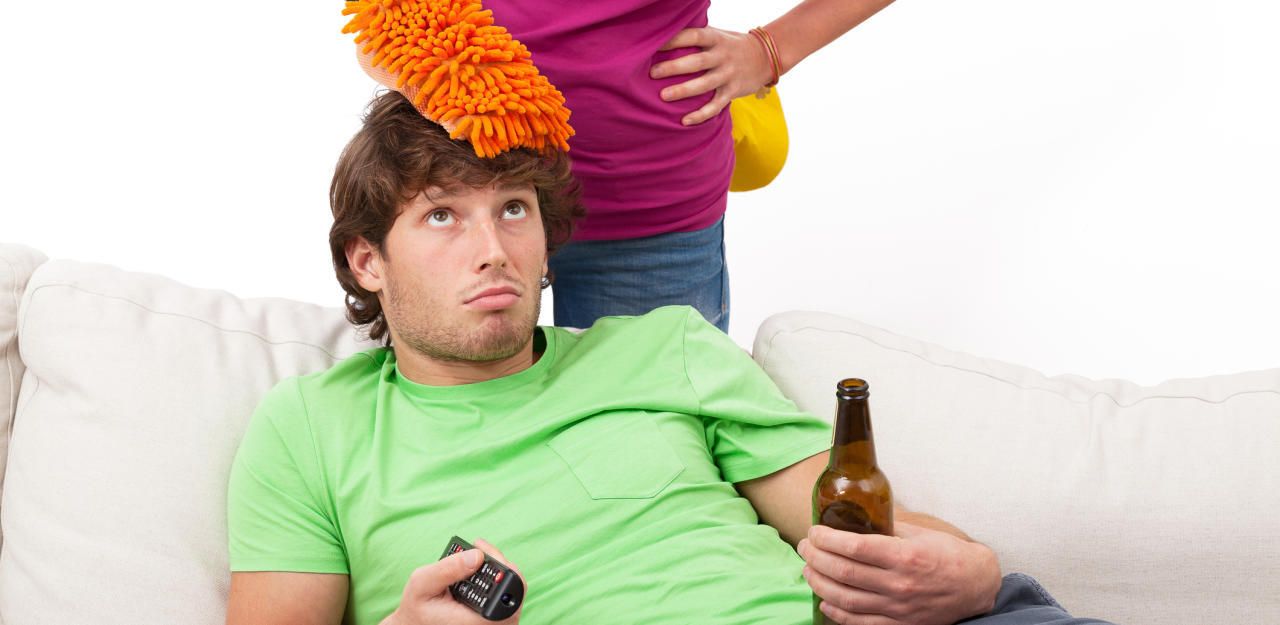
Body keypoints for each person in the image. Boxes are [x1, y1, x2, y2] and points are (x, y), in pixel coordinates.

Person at [224, 90, 1112, 625]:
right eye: (442, 215)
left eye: (514, 209)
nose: (492, 250)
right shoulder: (312, 426)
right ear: (367, 260)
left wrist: (974, 573)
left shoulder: (667, 346)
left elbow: (868, 531)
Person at [345, 0, 899, 332]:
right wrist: (416, 59)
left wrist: (771, 49)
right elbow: (382, 24)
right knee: (462, 435)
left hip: (646, 215)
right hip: (470, 199)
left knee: (653, 443)